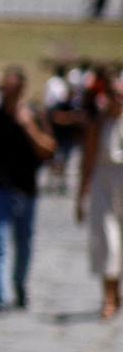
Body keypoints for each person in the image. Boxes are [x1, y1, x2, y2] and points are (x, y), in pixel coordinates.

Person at [0, 66, 57, 313]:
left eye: (13, 88)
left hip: (27, 189)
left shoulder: (34, 115)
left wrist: (29, 128)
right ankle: (0, 298)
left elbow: (50, 150)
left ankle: (19, 285)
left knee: (24, 244)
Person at [76, 68, 122, 321]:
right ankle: (108, 296)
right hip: (105, 188)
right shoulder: (99, 124)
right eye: (115, 95)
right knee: (108, 242)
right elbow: (88, 162)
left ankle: (118, 293)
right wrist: (80, 196)